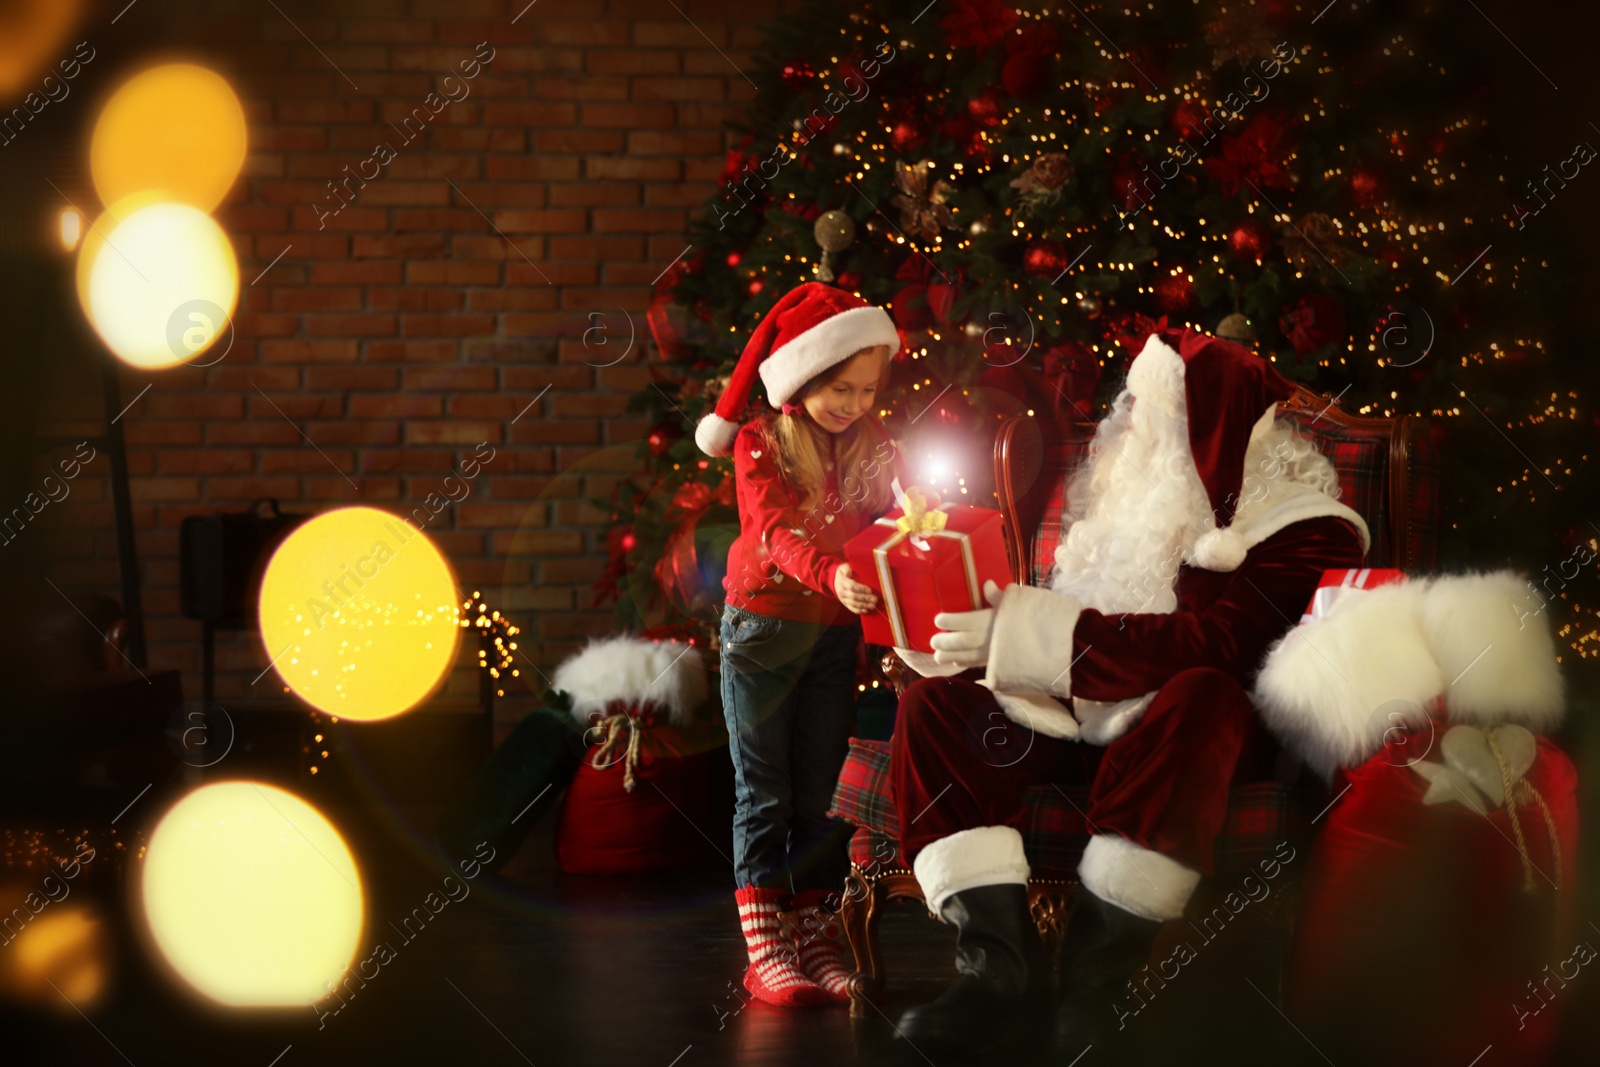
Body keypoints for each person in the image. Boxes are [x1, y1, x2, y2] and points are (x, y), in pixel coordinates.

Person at [886, 325, 1370, 1054]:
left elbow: (1218, 647)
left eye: (1152, 411)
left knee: (1202, 691)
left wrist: (1023, 633)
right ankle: (999, 978)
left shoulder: (1303, 528)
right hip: (1074, 719)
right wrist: (960, 632)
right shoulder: (1124, 511)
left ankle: (1095, 985)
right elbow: (1054, 625)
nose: (1129, 424)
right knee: (936, 709)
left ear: (1210, 433)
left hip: (1191, 740)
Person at [695, 282, 907, 1007]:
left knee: (821, 791)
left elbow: (896, 515)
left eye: (866, 389)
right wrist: (833, 571)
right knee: (766, 792)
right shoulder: (760, 442)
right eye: (839, 387)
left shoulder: (872, 444)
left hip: (832, 637)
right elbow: (773, 533)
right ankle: (766, 946)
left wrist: (919, 535)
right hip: (762, 633)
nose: (853, 403)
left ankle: (814, 931)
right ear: (802, 379)